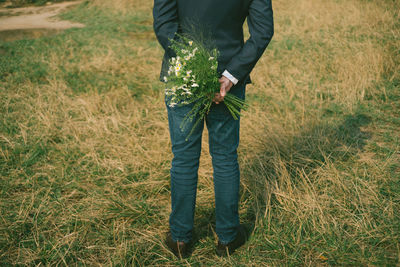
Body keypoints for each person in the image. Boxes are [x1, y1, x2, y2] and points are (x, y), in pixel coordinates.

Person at [153, 0, 274, 258]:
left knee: (184, 159)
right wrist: (230, 75)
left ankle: (179, 239)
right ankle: (228, 237)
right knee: (224, 157)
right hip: (228, 75)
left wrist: (195, 68)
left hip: (182, 73)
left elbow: (163, 23)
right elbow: (263, 30)